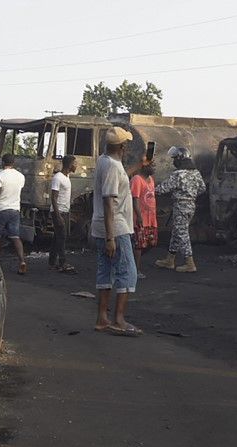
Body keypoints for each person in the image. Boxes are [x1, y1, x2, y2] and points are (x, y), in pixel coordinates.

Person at [91, 127, 140, 336]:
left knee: (106, 271)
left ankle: (102, 318)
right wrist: (111, 237)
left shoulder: (104, 161)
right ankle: (119, 320)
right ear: (122, 146)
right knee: (128, 273)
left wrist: (139, 166)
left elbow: (119, 181)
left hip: (103, 226)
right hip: (115, 227)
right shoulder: (112, 166)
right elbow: (109, 202)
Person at [154, 146, 206, 273]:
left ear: (180, 159)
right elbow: (202, 188)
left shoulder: (178, 174)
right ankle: (170, 260)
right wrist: (190, 194)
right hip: (191, 205)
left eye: (174, 158)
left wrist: (151, 190)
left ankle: (190, 263)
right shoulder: (196, 173)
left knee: (182, 233)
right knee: (177, 232)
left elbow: (163, 189)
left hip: (180, 206)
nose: (173, 161)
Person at [0, 153, 27, 274]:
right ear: (14, 163)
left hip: (1, 210)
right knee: (15, 237)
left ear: (2, 162)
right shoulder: (21, 176)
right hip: (15, 210)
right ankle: (22, 262)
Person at [131, 160, 159, 279]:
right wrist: (139, 216)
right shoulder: (137, 179)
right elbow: (135, 199)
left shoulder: (151, 179)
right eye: (152, 165)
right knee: (139, 245)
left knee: (151, 243)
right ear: (144, 166)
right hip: (141, 218)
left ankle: (131, 262)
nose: (154, 168)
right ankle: (135, 270)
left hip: (151, 218)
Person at [50, 155, 77, 274]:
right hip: (58, 211)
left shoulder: (67, 177)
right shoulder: (58, 178)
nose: (76, 166)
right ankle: (62, 262)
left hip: (65, 211)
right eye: (75, 164)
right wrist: (58, 215)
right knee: (62, 237)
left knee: (57, 237)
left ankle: (52, 261)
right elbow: (53, 198)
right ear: (69, 165)